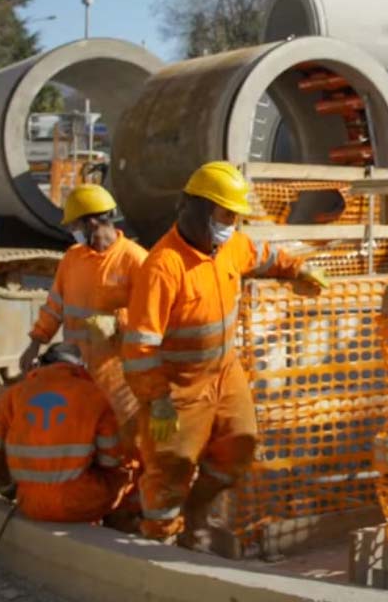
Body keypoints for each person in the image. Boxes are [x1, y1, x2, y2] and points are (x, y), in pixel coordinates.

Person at [121, 161, 328, 556]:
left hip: (225, 373)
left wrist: (298, 270)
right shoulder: (164, 267)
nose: (231, 223)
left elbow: (263, 256)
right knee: (170, 470)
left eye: (235, 216)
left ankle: (195, 513)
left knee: (239, 446)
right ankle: (158, 546)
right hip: (178, 387)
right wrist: (158, 399)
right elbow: (141, 344)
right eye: (225, 214)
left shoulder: (232, 245)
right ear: (197, 209)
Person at [20, 184, 147, 440]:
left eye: (74, 225)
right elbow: (55, 305)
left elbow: (153, 317)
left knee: (123, 435)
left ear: (91, 222)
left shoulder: (136, 260)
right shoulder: (73, 258)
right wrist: (35, 342)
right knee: (79, 433)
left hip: (118, 375)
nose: (71, 232)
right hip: (76, 369)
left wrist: (119, 322)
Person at [0, 343, 136, 526]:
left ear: (42, 364)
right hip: (80, 503)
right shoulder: (94, 396)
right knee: (122, 473)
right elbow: (111, 460)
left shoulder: (15, 394)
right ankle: (118, 525)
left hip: (30, 504)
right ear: (79, 368)